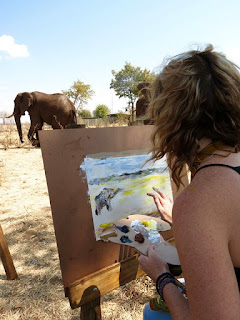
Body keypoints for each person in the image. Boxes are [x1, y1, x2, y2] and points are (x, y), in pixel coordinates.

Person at [138, 44, 240, 319]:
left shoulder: (200, 199)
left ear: (173, 124)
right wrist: (182, 221)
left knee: (151, 314)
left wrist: (162, 279)